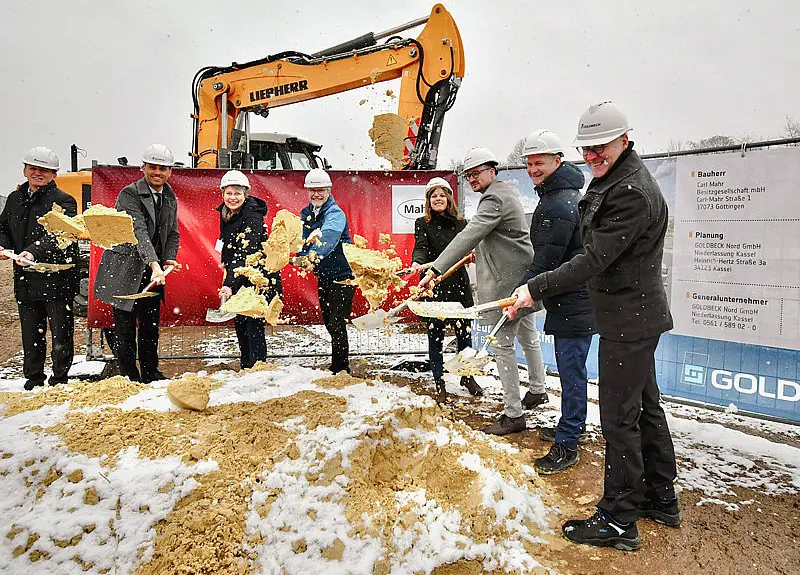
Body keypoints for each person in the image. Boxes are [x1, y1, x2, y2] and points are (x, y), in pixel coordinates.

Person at [510, 102, 679, 551]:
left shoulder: (629, 192)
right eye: (586, 148)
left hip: (629, 318)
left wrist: (536, 288)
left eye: (599, 147)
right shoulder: (618, 179)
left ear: (624, 139)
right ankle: (661, 496)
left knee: (620, 419)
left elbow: (594, 258)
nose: (592, 155)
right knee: (645, 405)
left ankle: (620, 518)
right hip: (634, 315)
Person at [419, 147, 547, 435]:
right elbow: (494, 236)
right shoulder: (507, 192)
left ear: (492, 170)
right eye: (468, 175)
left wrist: (435, 270)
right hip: (523, 278)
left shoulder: (493, 199)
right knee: (528, 336)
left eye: (477, 173)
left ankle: (513, 413)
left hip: (507, 284)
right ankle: (537, 389)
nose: (473, 179)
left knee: (503, 346)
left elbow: (469, 234)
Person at [519, 129, 597, 474]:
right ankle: (573, 425)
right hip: (571, 298)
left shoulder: (558, 202)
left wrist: (521, 292)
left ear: (557, 161)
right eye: (530, 163)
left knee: (571, 372)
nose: (534, 168)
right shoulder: (558, 194)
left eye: (540, 162)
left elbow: (547, 259)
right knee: (571, 371)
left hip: (575, 301)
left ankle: (567, 444)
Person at [94, 144, 181, 383]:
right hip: (126, 269)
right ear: (143, 167)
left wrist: (169, 257)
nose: (157, 172)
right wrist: (155, 265)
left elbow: (172, 231)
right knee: (124, 327)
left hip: (151, 271)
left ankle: (150, 373)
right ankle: (129, 377)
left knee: (150, 326)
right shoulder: (129, 194)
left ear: (170, 171)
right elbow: (138, 232)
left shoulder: (169, 195)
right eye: (153, 167)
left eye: (163, 168)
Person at [0, 147, 78, 390]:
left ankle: (59, 381)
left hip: (56, 279)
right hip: (25, 279)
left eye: (44, 170)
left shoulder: (64, 201)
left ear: (54, 174)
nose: (38, 173)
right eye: (33, 168)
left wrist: (34, 251)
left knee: (60, 334)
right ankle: (33, 380)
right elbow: (4, 227)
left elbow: (61, 234)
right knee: (31, 334)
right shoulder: (15, 199)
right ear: (25, 170)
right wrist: (3, 246)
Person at [411, 177, 483, 402]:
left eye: (442, 195)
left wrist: (471, 254)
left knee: (465, 334)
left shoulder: (462, 224)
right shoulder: (422, 222)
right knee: (436, 336)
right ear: (428, 200)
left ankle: (466, 376)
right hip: (433, 285)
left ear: (449, 198)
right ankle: (439, 379)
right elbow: (421, 248)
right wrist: (417, 262)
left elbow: (468, 247)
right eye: (433, 196)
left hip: (458, 285)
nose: (438, 199)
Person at [216, 170, 281, 369]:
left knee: (253, 323)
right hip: (239, 275)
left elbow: (246, 252)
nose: (232, 197)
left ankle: (258, 368)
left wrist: (228, 284)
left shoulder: (252, 215)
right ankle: (246, 367)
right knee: (241, 323)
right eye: (229, 193)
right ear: (222, 194)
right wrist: (225, 263)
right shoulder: (227, 213)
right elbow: (229, 244)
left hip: (256, 278)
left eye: (237, 193)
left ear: (246, 194)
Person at [294, 168, 355, 374]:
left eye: (320, 190)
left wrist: (311, 256)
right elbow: (302, 238)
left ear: (329, 190)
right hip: (325, 275)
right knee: (329, 321)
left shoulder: (335, 214)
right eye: (312, 190)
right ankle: (338, 364)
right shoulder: (308, 213)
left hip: (343, 276)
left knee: (337, 322)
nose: (316, 194)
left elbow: (327, 236)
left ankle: (341, 368)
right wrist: (296, 254)